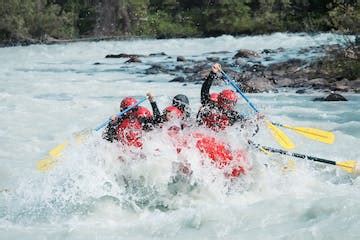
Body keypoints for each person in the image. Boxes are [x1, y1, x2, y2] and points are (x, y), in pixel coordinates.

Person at [197, 63, 253, 132]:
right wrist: (213, 73)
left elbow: (247, 122)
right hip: (204, 133)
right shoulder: (209, 106)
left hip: (220, 137)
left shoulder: (232, 115)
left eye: (231, 103)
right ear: (221, 100)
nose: (229, 105)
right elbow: (205, 89)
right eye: (227, 102)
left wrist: (257, 119)